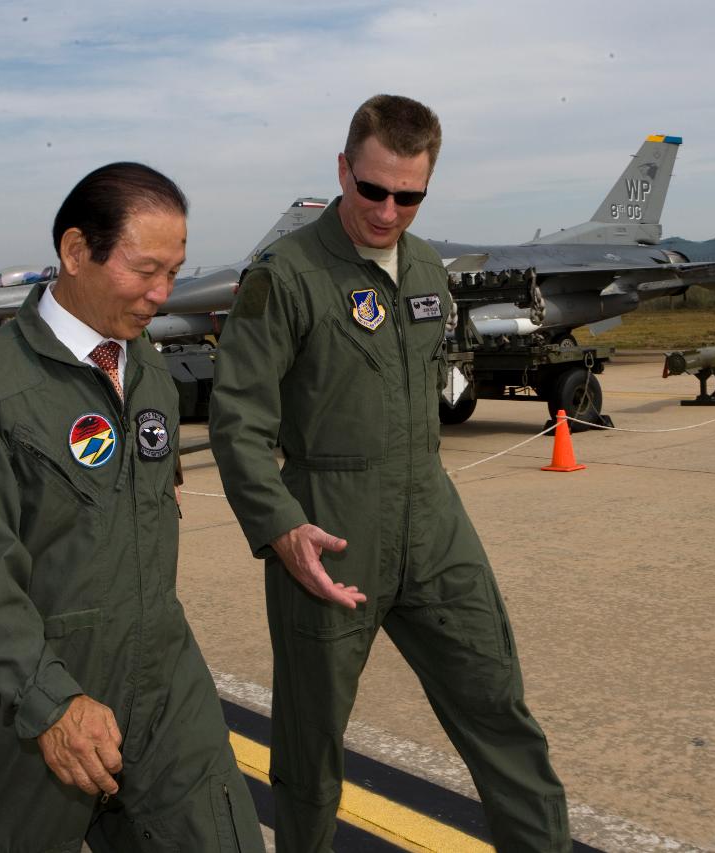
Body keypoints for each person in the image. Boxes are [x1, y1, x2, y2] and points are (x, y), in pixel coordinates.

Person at [210, 95, 571, 852]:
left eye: (409, 195)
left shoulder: (429, 266)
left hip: (432, 518)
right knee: (311, 748)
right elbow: (239, 423)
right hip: (329, 528)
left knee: (499, 708)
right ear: (342, 170)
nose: (386, 210)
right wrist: (280, 526)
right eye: (371, 189)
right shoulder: (285, 277)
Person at [0, 162, 264, 852]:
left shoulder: (147, 367)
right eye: (145, 270)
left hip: (165, 685)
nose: (163, 294)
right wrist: (49, 701)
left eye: (175, 271)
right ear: (76, 253)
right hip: (40, 698)